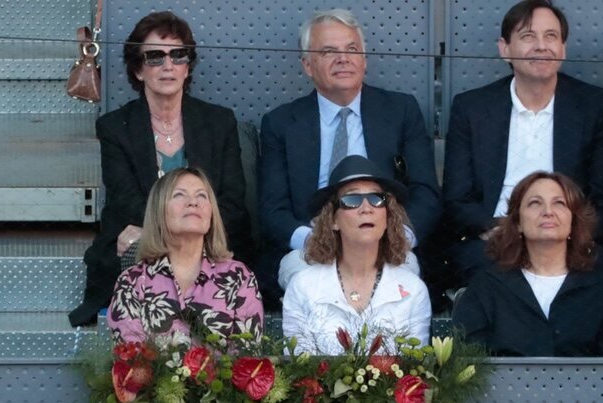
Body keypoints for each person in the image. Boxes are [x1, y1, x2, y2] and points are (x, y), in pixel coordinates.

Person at [69, 11, 252, 326]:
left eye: (177, 55)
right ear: (138, 70)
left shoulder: (219, 122)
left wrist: (181, 238)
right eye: (154, 57)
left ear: (187, 66)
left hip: (205, 245)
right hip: (140, 252)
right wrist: (178, 235)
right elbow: (127, 204)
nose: (168, 65)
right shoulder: (115, 127)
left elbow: (232, 202)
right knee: (128, 249)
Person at [258, 9, 440, 309]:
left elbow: (426, 194)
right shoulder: (281, 123)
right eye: (329, 51)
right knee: (303, 283)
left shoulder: (400, 111)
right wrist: (314, 243)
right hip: (310, 247)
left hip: (387, 243)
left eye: (352, 50)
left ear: (364, 60)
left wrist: (398, 239)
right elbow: (271, 209)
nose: (343, 58)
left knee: (403, 282)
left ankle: (389, 359)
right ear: (307, 65)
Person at [442, 0, 603, 285]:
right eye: (528, 36)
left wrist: (559, 234)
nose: (541, 46)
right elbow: (456, 200)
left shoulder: (593, 106)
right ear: (505, 49)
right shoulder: (472, 108)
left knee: (602, 270)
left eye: (551, 36)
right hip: (496, 239)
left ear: (563, 48)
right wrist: (510, 230)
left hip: (566, 238)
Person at [452, 171, 603, 356]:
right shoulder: (486, 286)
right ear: (518, 222)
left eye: (559, 203)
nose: (548, 212)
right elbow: (469, 364)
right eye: (535, 203)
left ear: (573, 221)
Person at [283, 155, 431, 355]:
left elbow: (414, 373)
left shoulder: (413, 290)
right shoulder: (302, 287)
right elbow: (300, 374)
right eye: (351, 200)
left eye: (376, 199)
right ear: (332, 220)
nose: (366, 208)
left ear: (388, 217)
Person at [107, 168, 263, 345]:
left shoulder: (238, 277)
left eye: (202, 196)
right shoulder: (132, 282)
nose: (193, 202)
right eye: (180, 195)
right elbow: (131, 363)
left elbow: (247, 360)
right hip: (155, 374)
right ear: (159, 210)